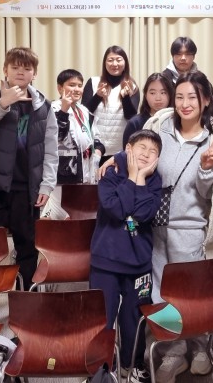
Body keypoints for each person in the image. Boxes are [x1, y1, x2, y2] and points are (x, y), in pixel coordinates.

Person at [144, 72, 213, 383]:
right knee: (161, 293)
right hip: (156, 226)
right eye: (180, 97)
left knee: (193, 295)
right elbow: (141, 160)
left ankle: (201, 347)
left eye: (192, 97)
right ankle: (173, 351)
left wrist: (206, 169)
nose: (185, 103)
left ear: (205, 100)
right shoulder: (159, 128)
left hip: (192, 230)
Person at [0, 47, 58, 293]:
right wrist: (2, 103)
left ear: (34, 73)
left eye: (27, 68)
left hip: (26, 187)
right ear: (5, 70)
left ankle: (26, 300)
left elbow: (51, 149)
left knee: (27, 246)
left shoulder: (44, 106)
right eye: (15, 67)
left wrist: (47, 185)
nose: (21, 72)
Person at [90, 129, 163, 383]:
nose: (146, 154)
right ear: (128, 149)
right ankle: (101, 368)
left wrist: (140, 178)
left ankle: (132, 364)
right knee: (102, 317)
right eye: (142, 147)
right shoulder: (109, 174)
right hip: (106, 261)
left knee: (134, 317)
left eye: (153, 151)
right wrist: (132, 178)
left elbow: (143, 214)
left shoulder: (155, 180)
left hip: (138, 263)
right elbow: (115, 209)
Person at [82, 45, 140, 158]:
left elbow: (131, 117)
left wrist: (125, 97)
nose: (114, 64)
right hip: (94, 146)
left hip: (119, 148)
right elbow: (83, 113)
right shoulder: (93, 82)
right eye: (110, 60)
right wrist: (97, 96)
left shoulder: (132, 86)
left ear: (125, 63)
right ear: (105, 63)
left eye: (118, 60)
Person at [53, 68, 104, 185]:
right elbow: (57, 138)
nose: (76, 89)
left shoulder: (84, 110)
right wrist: (63, 111)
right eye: (72, 85)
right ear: (60, 88)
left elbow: (95, 136)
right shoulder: (53, 108)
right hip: (64, 171)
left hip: (86, 168)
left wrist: (98, 149)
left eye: (80, 86)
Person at [123, 72, 174, 147]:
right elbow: (127, 151)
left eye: (163, 93)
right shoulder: (135, 123)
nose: (158, 98)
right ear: (146, 95)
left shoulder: (177, 121)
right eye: (152, 93)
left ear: (170, 95)